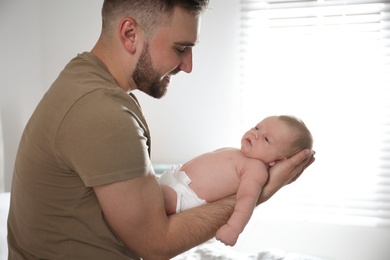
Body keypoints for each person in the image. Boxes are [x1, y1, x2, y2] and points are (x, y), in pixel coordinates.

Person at [7, 1, 315, 259]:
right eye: (181, 48)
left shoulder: (85, 79)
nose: (188, 65)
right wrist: (262, 190)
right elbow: (156, 244)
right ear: (130, 34)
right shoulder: (103, 112)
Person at [159, 115, 313, 246]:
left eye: (266, 139)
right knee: (143, 189)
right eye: (257, 127)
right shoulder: (236, 153)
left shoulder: (255, 169)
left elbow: (247, 199)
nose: (255, 134)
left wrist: (234, 228)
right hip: (175, 179)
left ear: (277, 161)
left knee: (147, 199)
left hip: (183, 196)